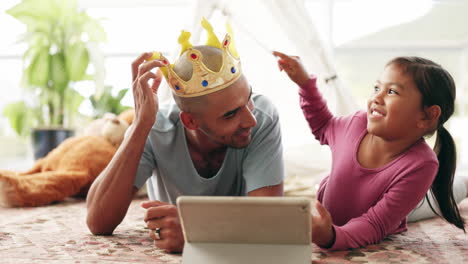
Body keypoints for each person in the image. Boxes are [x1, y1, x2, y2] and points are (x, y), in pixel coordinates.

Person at [86, 19, 284, 253]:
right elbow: (98, 222)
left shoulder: (262, 117)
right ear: (190, 121)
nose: (251, 119)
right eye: (230, 114)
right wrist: (140, 125)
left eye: (248, 98)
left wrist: (199, 231)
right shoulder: (155, 128)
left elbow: (269, 219)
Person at [273, 51, 467, 250]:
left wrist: (330, 236)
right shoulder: (357, 123)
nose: (377, 97)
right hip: (367, 191)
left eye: (392, 91)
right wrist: (305, 84)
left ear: (427, 116)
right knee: (321, 180)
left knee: (437, 199)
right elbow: (323, 126)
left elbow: (375, 224)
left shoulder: (422, 164)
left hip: (404, 203)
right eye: (376, 87)